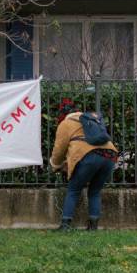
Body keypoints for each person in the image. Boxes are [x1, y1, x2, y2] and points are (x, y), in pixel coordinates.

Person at [50, 99, 119, 231]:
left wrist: (55, 165)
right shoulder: (91, 119)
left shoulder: (66, 123)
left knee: (74, 190)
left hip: (88, 155)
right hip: (110, 155)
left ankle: (65, 226)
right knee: (95, 191)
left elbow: (59, 149)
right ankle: (93, 227)